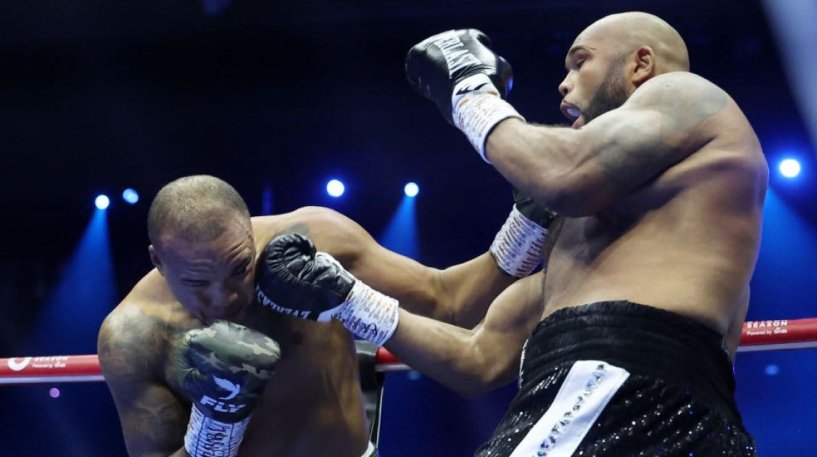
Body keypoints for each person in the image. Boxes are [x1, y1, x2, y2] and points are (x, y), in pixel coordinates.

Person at [264, 11, 767, 456]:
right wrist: (347, 299)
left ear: (639, 65)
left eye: (580, 62)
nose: (563, 84)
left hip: (620, 389)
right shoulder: (602, 233)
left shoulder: (685, 94)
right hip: (620, 400)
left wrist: (469, 92)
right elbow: (477, 358)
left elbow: (563, 176)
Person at [97, 174, 554, 457]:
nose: (223, 297)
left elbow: (450, 301)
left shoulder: (314, 240)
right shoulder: (136, 334)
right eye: (197, 282)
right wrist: (216, 420)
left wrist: (534, 215)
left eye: (240, 268)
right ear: (158, 260)